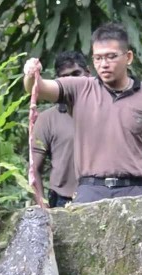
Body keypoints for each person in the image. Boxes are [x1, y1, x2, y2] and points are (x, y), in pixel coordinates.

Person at [23, 23, 142, 203]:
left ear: (129, 57)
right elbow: (37, 88)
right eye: (98, 58)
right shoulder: (80, 88)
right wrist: (31, 74)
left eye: (111, 57)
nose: (104, 64)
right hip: (90, 190)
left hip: (136, 189)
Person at [32, 51, 91, 208]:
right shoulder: (47, 119)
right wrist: (42, 206)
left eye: (76, 74)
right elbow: (34, 168)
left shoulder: (105, 111)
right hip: (62, 199)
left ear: (88, 73)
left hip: (102, 195)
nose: (71, 80)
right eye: (65, 76)